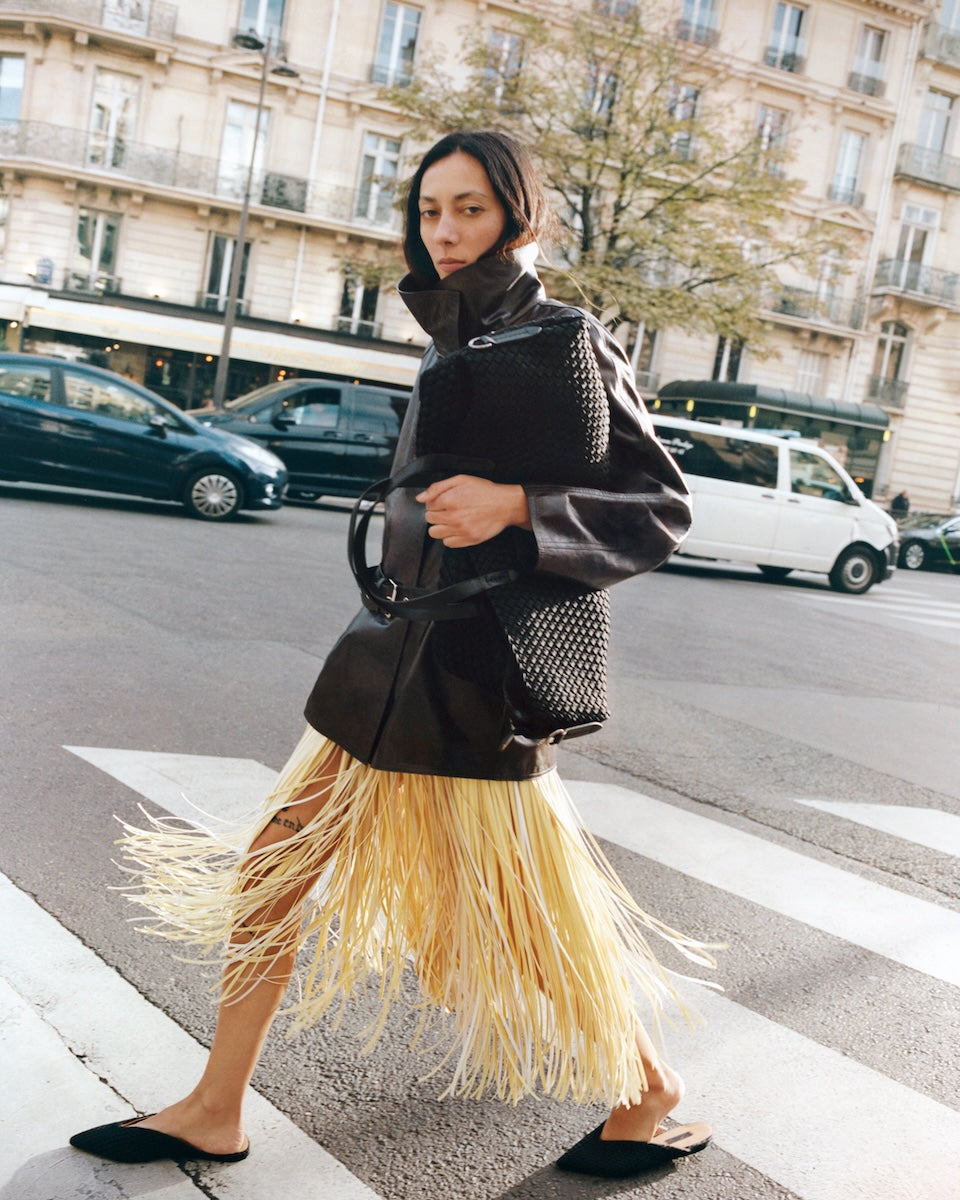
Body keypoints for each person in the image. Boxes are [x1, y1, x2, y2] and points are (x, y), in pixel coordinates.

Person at [69, 131, 714, 1180]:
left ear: (519, 217)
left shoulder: (565, 336)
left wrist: (519, 505)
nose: (446, 232)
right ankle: (215, 1105)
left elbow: (663, 506)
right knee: (274, 869)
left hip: (478, 674)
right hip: (389, 648)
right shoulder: (453, 338)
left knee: (519, 917)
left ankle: (648, 1087)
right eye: (429, 211)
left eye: (469, 209)